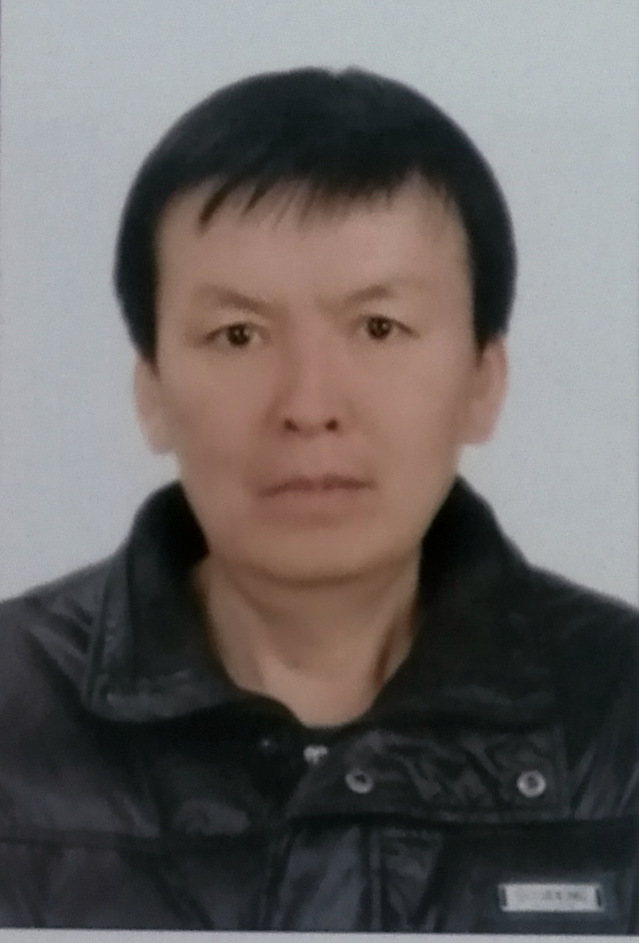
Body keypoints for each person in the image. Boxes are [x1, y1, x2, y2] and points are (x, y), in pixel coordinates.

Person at [0, 66, 637, 934]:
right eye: (237, 334)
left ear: (482, 380)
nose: (308, 405)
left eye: (378, 327)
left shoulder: (619, 715)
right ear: (150, 390)